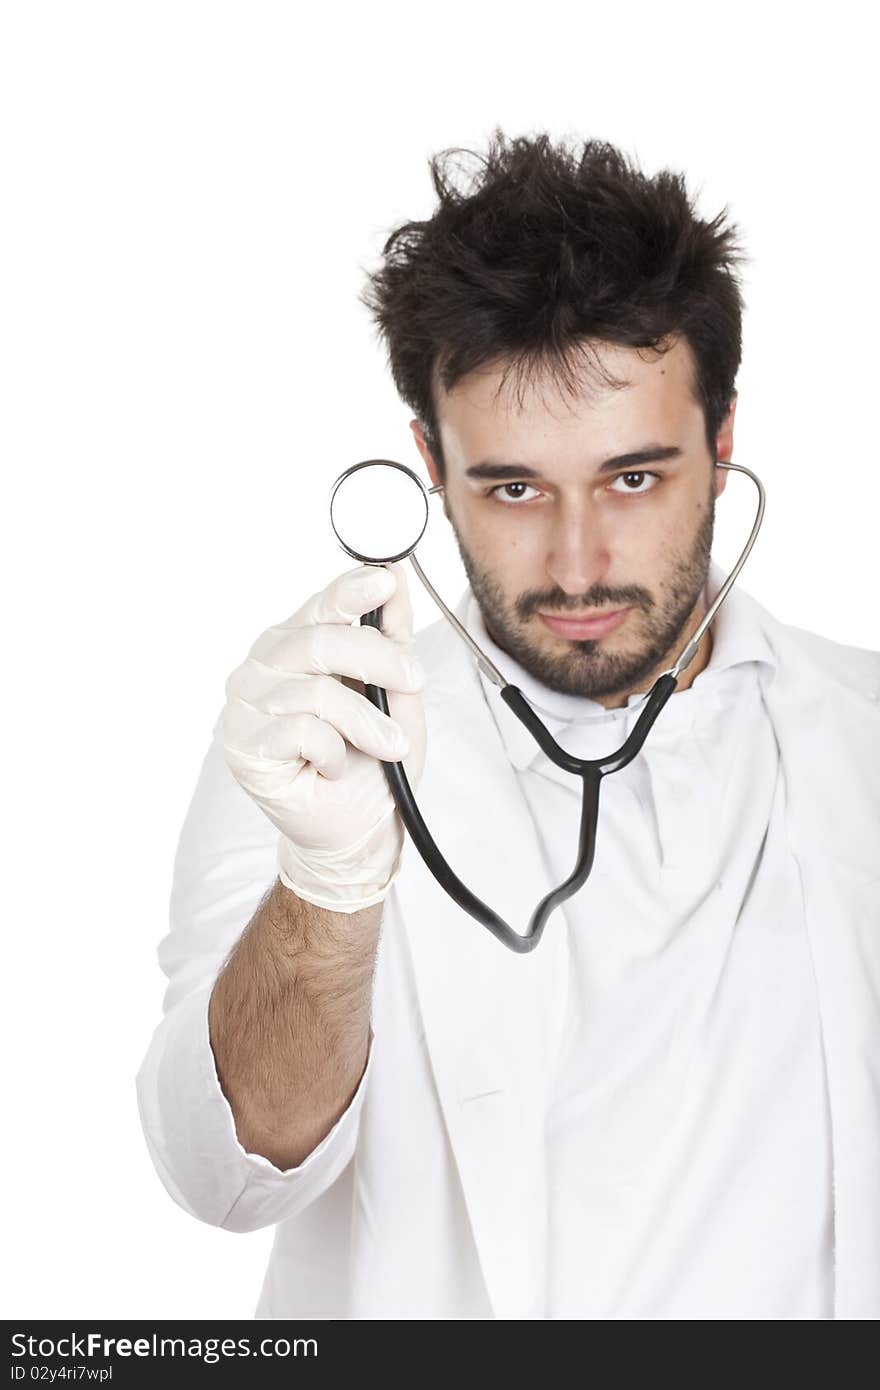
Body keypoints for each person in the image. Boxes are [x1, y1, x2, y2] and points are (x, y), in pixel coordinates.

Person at [136, 131, 880, 1320]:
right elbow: (227, 1175)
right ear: (430, 462)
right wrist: (330, 888)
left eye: (633, 478)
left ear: (722, 439)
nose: (577, 563)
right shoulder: (321, 746)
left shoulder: (865, 742)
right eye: (513, 487)